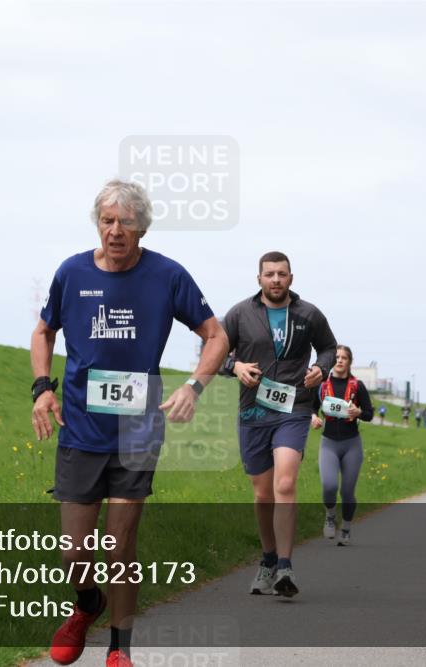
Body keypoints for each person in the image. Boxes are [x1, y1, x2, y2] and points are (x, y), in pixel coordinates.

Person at [31, 179, 229, 667]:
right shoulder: (72, 272)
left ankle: (120, 649)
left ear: (142, 227)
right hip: (80, 428)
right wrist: (42, 388)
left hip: (138, 429)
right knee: (74, 553)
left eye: (126, 222)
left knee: (119, 547)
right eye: (107, 221)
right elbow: (44, 330)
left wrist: (193, 386)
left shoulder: (168, 276)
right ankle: (87, 603)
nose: (116, 230)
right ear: (97, 224)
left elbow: (216, 335)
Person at [220, 251, 337, 598]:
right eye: (269, 274)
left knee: (285, 483)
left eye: (281, 274)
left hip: (294, 407)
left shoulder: (308, 314)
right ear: (259, 278)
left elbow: (328, 348)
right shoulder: (239, 314)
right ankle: (268, 559)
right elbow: (215, 351)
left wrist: (321, 369)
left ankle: (285, 566)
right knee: (262, 493)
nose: (275, 279)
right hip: (253, 410)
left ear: (291, 278)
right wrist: (235, 367)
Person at [310, 345, 374, 546]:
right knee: (329, 486)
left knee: (347, 492)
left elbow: (370, 414)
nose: (339, 360)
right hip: (328, 443)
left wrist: (359, 412)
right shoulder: (322, 385)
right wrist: (313, 418)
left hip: (351, 444)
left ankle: (346, 528)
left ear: (349, 362)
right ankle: (330, 515)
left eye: (343, 358)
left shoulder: (358, 386)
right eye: (336, 357)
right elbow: (311, 407)